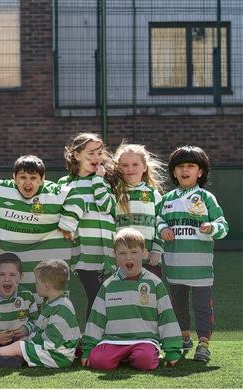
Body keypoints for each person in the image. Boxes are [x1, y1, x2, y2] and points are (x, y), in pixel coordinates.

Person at [158, 146, 228, 362]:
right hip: (175, 266)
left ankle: (204, 344)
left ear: (200, 171)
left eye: (191, 166)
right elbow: (157, 221)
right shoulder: (167, 199)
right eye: (180, 166)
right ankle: (184, 337)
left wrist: (211, 227)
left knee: (202, 309)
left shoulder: (206, 198)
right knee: (178, 306)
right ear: (174, 172)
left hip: (200, 268)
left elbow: (223, 225)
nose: (185, 170)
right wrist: (163, 229)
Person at [0, 155, 74, 299]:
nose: (27, 182)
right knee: (19, 299)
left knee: (49, 294)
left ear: (42, 179)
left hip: (44, 256)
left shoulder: (53, 192)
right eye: (23, 177)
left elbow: (76, 197)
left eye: (33, 178)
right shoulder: (1, 190)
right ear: (14, 177)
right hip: (16, 261)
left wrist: (67, 224)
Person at [81, 228, 182, 371]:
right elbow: (96, 319)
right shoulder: (108, 285)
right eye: (122, 253)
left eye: (134, 252)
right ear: (114, 255)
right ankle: (120, 356)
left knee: (144, 362)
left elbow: (167, 317)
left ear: (144, 253)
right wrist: (88, 349)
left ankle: (137, 356)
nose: (128, 258)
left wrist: (172, 350)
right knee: (99, 361)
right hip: (113, 340)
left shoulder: (155, 283)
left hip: (144, 340)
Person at [0, 259, 80, 369]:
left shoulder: (62, 307)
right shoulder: (50, 303)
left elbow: (51, 340)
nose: (35, 285)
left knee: (19, 346)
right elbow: (40, 329)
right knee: (18, 347)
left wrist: (27, 340)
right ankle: (13, 361)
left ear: (46, 285)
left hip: (58, 356)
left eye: (37, 283)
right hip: (49, 349)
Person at [59, 132, 118, 320]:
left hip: (108, 254)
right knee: (96, 297)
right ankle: (92, 341)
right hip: (84, 254)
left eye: (99, 153)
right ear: (77, 155)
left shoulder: (104, 181)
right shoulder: (65, 184)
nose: (97, 158)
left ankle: (106, 340)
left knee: (107, 299)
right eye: (91, 153)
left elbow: (107, 206)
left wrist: (99, 181)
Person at [114, 143, 165, 278]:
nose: (130, 169)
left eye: (135, 164)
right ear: (118, 168)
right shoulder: (114, 194)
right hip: (121, 260)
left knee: (149, 297)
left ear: (144, 167)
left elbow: (162, 223)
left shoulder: (153, 194)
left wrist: (157, 250)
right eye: (125, 165)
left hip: (148, 259)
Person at [0, 253, 38, 349]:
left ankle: (14, 356)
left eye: (13, 275)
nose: (7, 279)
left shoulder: (27, 296)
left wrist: (26, 329)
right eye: (1, 275)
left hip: (21, 343)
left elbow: (36, 321)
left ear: (21, 277)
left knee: (33, 342)